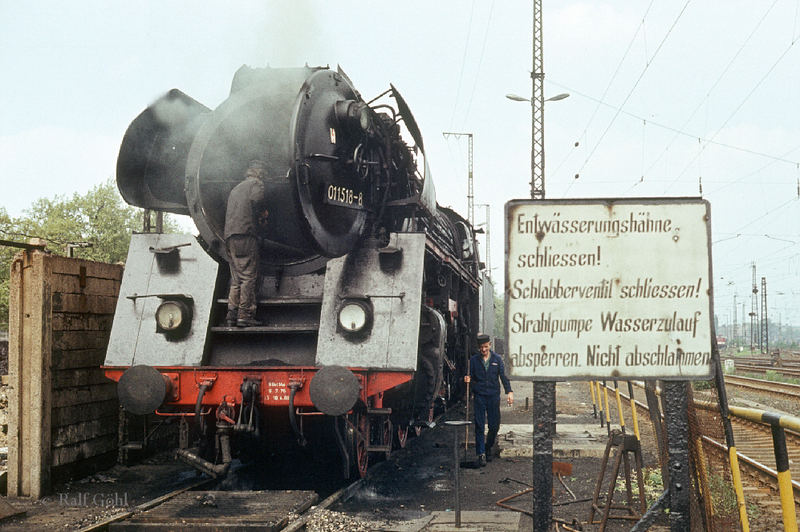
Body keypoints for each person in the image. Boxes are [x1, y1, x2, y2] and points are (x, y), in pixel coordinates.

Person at [224, 159, 269, 327]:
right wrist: (262, 216)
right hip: (245, 234)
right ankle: (245, 314)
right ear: (258, 171)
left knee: (236, 278)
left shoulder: (236, 188)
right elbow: (257, 201)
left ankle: (231, 313)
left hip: (229, 236)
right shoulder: (256, 184)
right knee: (249, 276)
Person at [464, 334, 513, 466]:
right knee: (479, 425)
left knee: (494, 426)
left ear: (490, 345)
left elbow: (503, 376)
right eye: (481, 348)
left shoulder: (497, 359)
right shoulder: (473, 360)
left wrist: (509, 391)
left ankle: (488, 446)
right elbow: (470, 376)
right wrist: (467, 379)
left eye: (485, 347)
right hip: (479, 396)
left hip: (493, 396)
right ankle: (481, 454)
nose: (483, 350)